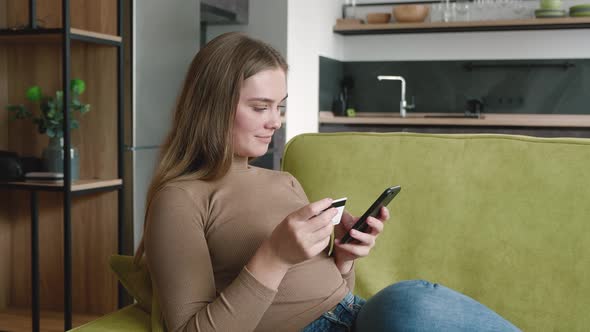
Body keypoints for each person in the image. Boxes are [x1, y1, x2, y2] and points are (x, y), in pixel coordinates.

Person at [134, 32, 520, 332]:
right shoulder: (181, 199)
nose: (276, 121)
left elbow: (333, 294)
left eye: (280, 107)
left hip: (355, 317)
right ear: (212, 107)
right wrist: (274, 256)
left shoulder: (284, 181)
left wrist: (344, 260)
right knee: (409, 302)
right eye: (260, 107)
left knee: (412, 302)